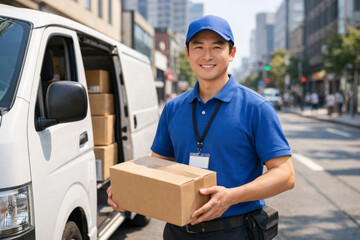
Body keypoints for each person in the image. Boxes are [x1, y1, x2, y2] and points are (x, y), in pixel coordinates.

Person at [107, 15, 295, 240]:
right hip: (178, 231)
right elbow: (158, 164)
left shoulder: (256, 107)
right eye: (198, 47)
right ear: (187, 54)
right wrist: (128, 187)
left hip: (235, 231)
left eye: (217, 47)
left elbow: (285, 175)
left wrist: (231, 197)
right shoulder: (173, 108)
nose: (207, 56)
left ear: (231, 53)